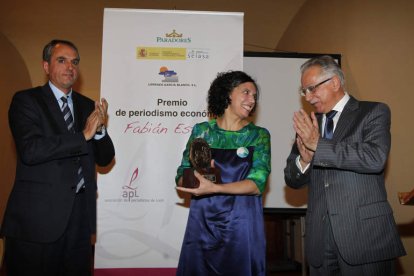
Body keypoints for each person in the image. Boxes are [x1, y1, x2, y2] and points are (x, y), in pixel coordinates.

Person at [1, 39, 115, 275]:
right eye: (61, 60)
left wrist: (100, 129)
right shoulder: (26, 101)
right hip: (37, 221)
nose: (70, 67)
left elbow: (105, 159)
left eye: (75, 62)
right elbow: (31, 150)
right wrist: (84, 135)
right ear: (46, 67)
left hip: (80, 221)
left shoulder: (87, 106)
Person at [284, 55, 406, 275]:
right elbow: (291, 179)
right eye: (304, 91)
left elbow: (374, 158)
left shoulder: (373, 112)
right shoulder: (310, 126)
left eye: (311, 88)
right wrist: (304, 161)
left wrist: (317, 146)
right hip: (320, 240)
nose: (308, 97)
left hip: (364, 237)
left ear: (334, 82)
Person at [175, 71, 271, 276]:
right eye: (246, 92)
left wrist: (215, 187)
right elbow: (182, 174)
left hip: (242, 224)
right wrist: (196, 178)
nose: (251, 100)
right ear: (227, 94)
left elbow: (257, 184)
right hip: (202, 223)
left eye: (254, 96)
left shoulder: (258, 135)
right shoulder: (202, 131)